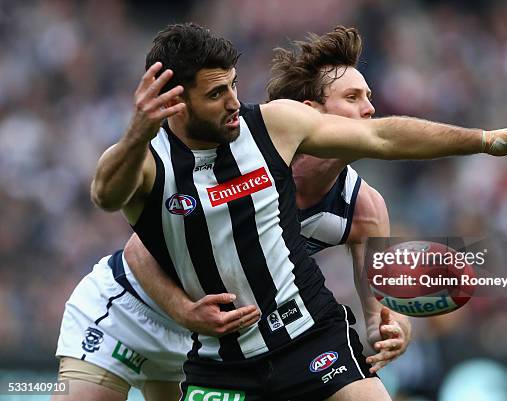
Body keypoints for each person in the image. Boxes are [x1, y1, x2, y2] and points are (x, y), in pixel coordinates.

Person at [88, 22, 507, 401]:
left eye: (234, 87)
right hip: (212, 352)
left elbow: (385, 141)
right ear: (172, 102)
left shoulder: (295, 146)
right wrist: (184, 310)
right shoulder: (149, 162)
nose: (235, 103)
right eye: (216, 94)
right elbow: (113, 207)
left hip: (310, 337)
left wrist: (485, 140)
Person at [53, 26, 412, 401]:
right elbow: (138, 251)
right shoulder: (246, 154)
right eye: (352, 97)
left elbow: (385, 308)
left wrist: (394, 327)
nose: (370, 109)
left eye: (368, 97)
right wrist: (184, 311)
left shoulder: (363, 207)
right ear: (311, 113)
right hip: (132, 312)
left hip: (215, 337)